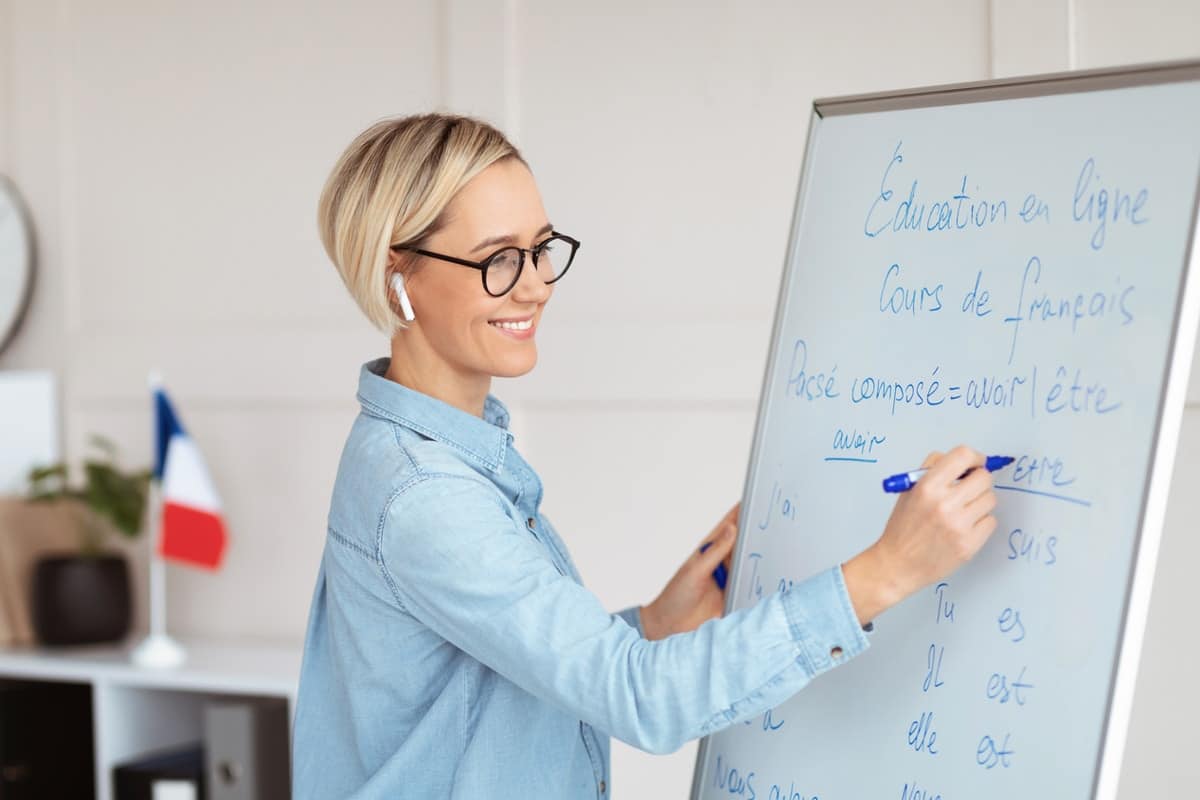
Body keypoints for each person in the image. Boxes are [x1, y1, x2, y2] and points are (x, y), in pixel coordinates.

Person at [292, 113, 999, 799]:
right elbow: (638, 698)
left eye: (541, 249)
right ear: (398, 277)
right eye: (499, 259)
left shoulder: (430, 454)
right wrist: (890, 570)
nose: (536, 284)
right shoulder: (425, 495)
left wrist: (653, 626)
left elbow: (492, 693)